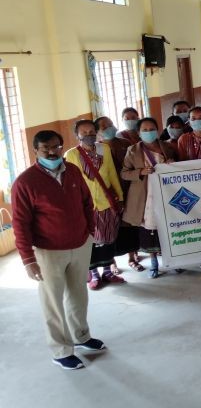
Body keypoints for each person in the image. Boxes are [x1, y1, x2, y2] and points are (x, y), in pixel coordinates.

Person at [12, 130, 106, 370]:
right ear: (36, 151)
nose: (53, 152)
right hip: (48, 251)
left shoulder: (72, 171)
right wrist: (27, 259)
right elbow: (20, 224)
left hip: (80, 244)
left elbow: (87, 202)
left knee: (78, 295)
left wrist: (90, 230)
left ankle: (82, 336)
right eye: (46, 149)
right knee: (53, 301)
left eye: (56, 146)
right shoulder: (25, 182)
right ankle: (61, 350)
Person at [64, 120, 125, 290]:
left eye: (91, 131)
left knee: (108, 238)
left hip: (107, 202)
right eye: (84, 132)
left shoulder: (104, 148)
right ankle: (94, 275)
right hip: (86, 205)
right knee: (90, 241)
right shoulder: (72, 154)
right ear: (77, 135)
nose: (89, 134)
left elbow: (112, 173)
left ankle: (107, 271)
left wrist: (119, 195)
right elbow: (73, 181)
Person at [121, 118, 180, 279]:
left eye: (152, 129)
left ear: (158, 129)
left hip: (166, 192)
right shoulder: (132, 150)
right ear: (139, 133)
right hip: (144, 196)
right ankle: (153, 263)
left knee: (168, 228)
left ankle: (171, 261)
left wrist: (172, 164)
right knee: (149, 230)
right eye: (145, 130)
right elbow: (124, 173)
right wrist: (140, 172)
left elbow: (179, 168)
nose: (149, 132)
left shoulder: (167, 147)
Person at [95, 116, 139, 275]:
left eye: (110, 124)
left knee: (130, 224)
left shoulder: (125, 144)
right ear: (97, 132)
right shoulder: (97, 150)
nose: (109, 128)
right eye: (103, 127)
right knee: (112, 228)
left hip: (129, 189)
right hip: (108, 194)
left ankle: (132, 257)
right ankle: (112, 262)